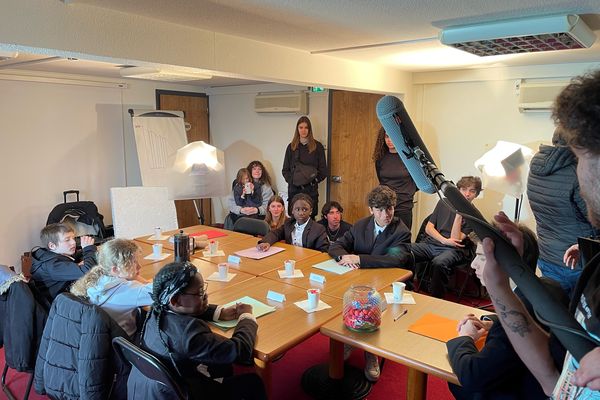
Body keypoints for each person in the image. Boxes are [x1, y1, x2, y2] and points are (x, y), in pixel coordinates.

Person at [482, 70, 600, 398]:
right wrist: (498, 286)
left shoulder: (536, 167)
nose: (579, 170)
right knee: (564, 338)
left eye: (584, 158)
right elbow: (556, 380)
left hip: (551, 256)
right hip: (570, 260)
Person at [130, 262, 266, 400]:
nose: (206, 295)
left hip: (150, 387)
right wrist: (246, 317)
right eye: (200, 293)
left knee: (222, 367)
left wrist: (219, 313)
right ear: (176, 300)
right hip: (185, 392)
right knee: (252, 382)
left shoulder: (156, 310)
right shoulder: (190, 335)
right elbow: (241, 351)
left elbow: (181, 310)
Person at [447, 225, 548, 400]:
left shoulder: (515, 320)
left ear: (508, 263)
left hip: (516, 392)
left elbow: (473, 376)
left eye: (481, 258)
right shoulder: (545, 288)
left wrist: (465, 338)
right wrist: (492, 322)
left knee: (455, 379)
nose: (472, 265)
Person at [328, 185, 412, 381]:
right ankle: (349, 339)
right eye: (380, 210)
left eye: (389, 208)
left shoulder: (401, 231)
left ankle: (371, 353)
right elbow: (338, 245)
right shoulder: (360, 225)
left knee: (371, 307)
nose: (386, 214)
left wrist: (358, 258)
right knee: (344, 299)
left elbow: (397, 259)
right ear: (371, 210)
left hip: (385, 283)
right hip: (357, 281)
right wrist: (343, 257)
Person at [527, 127, 599, 298]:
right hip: (575, 260)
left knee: (554, 313)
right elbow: (594, 219)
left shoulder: (536, 168)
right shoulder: (577, 172)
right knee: (578, 319)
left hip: (546, 255)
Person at [411, 176, 482, 298]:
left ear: (476, 194)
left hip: (454, 250)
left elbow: (456, 239)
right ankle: (406, 288)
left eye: (472, 191)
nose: (467, 194)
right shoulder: (443, 202)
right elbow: (429, 228)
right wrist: (444, 240)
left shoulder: (474, 215)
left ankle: (437, 299)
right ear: (458, 190)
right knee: (405, 250)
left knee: (439, 263)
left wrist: (459, 214)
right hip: (433, 243)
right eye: (464, 189)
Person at [70, 238, 152, 338]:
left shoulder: (97, 278)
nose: (139, 266)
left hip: (103, 340)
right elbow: (164, 293)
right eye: (133, 263)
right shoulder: (127, 289)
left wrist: (136, 276)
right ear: (115, 269)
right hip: (126, 344)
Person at [31, 223, 97, 303]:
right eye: (67, 240)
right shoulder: (53, 265)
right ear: (52, 246)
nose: (73, 242)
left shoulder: (48, 255)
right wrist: (88, 249)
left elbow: (70, 259)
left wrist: (78, 262)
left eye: (73, 238)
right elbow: (87, 271)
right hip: (60, 307)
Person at [282, 116, 327, 218]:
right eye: (301, 127)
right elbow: (285, 170)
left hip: (311, 191)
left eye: (306, 127)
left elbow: (323, 171)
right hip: (294, 190)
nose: (303, 130)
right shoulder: (291, 147)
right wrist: (292, 181)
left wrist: (313, 182)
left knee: (311, 219)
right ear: (297, 129)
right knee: (294, 219)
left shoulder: (317, 146)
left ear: (309, 129)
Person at [373, 127, 418, 229]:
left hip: (404, 206)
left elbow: (418, 183)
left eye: (392, 136)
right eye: (387, 136)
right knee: (383, 239)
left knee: (401, 241)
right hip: (384, 206)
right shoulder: (380, 158)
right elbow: (381, 180)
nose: (389, 140)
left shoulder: (409, 158)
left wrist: (407, 192)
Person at [257, 193, 329, 252]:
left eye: (305, 209)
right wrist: (266, 242)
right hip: (290, 258)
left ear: (310, 211)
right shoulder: (289, 223)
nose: (301, 213)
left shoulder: (318, 229)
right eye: (297, 209)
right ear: (292, 211)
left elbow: (323, 252)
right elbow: (276, 233)